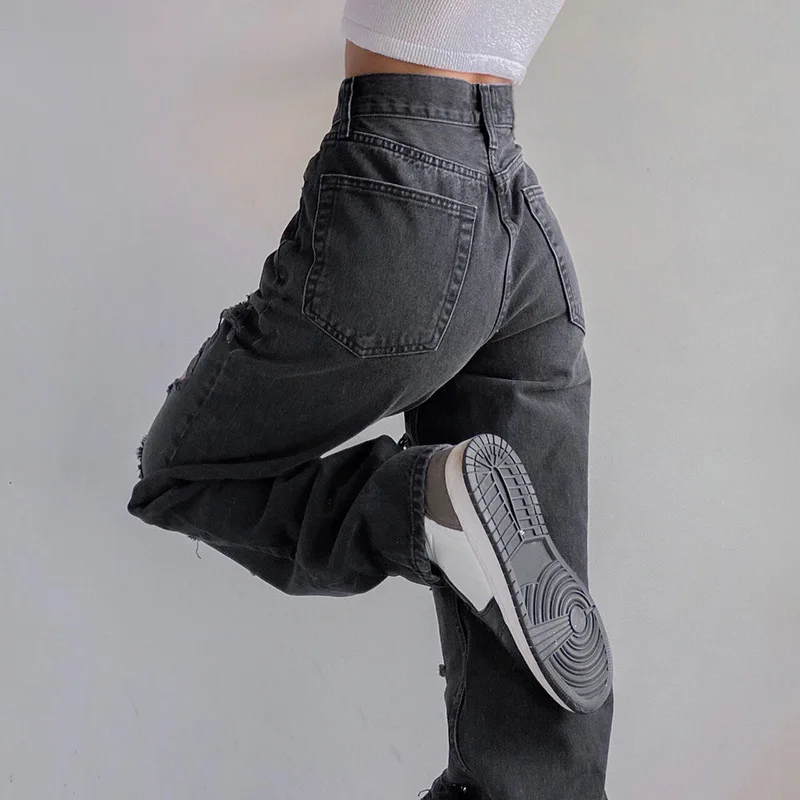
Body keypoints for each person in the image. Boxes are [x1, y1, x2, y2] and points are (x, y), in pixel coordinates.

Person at [127, 2, 615, 797]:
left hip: (406, 184)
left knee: (183, 471)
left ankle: (424, 510)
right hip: (519, 233)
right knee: (530, 714)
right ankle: (455, 519)